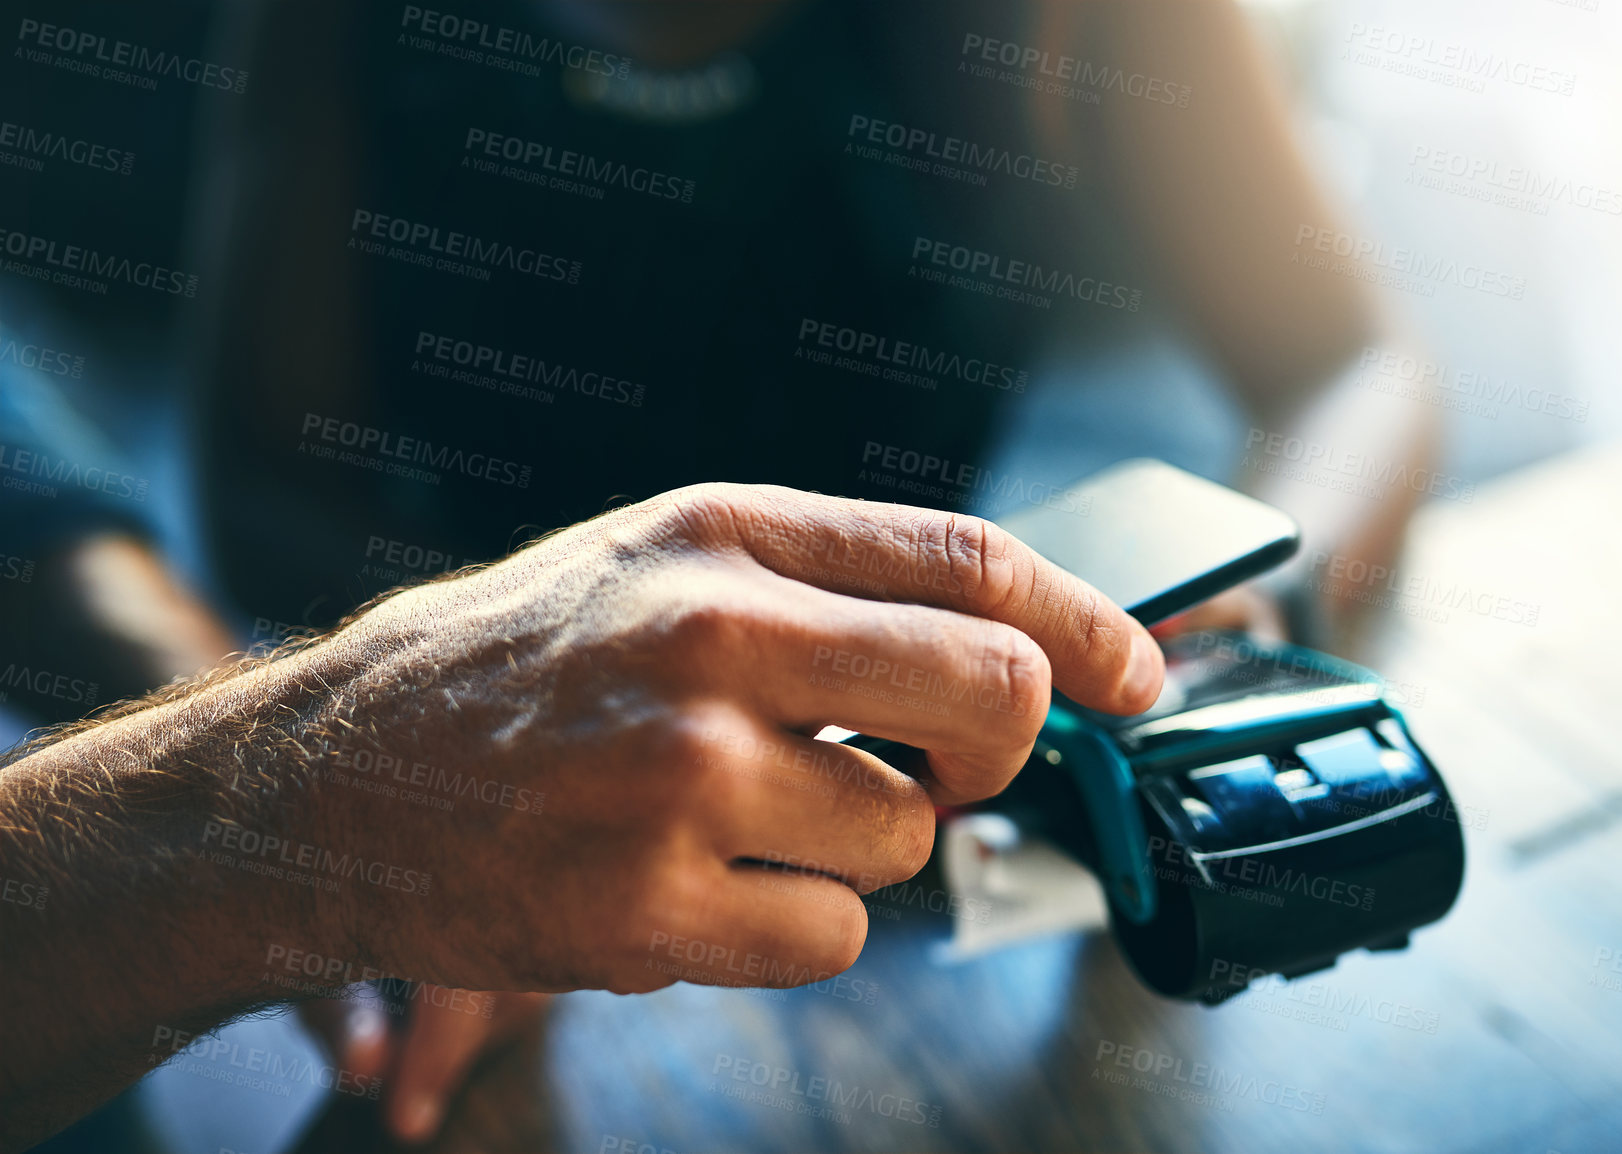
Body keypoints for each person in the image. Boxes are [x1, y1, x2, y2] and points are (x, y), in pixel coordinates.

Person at [0, 0, 1434, 1146]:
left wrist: (1244, 600)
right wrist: (452, 713)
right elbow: (255, 492)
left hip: (905, 818)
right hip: (512, 811)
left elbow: (1356, 361)